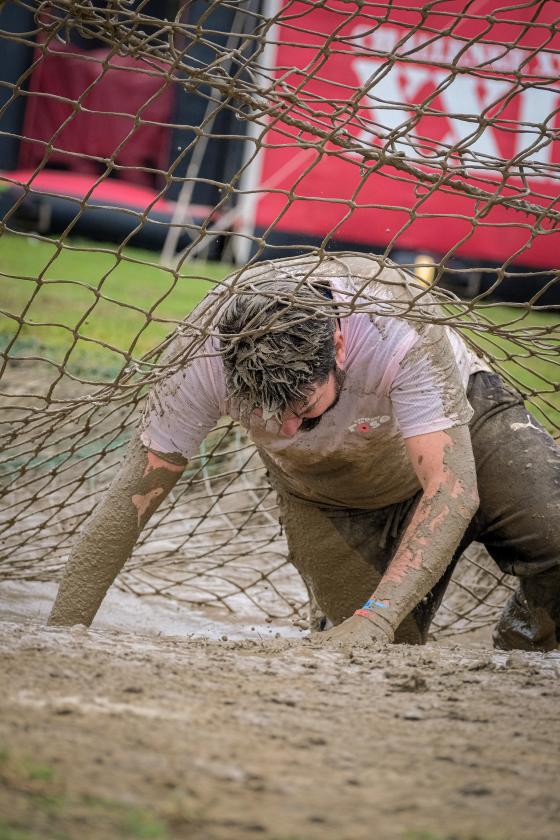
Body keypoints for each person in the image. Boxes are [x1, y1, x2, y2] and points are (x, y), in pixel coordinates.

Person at [48, 253, 560, 651]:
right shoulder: (197, 355)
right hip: (328, 492)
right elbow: (130, 502)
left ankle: (520, 648)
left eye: (302, 407)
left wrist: (378, 614)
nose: (288, 427)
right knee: (365, 652)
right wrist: (61, 630)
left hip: (466, 430)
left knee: (555, 529)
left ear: (339, 347)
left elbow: (452, 487)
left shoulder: (396, 326)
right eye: (266, 412)